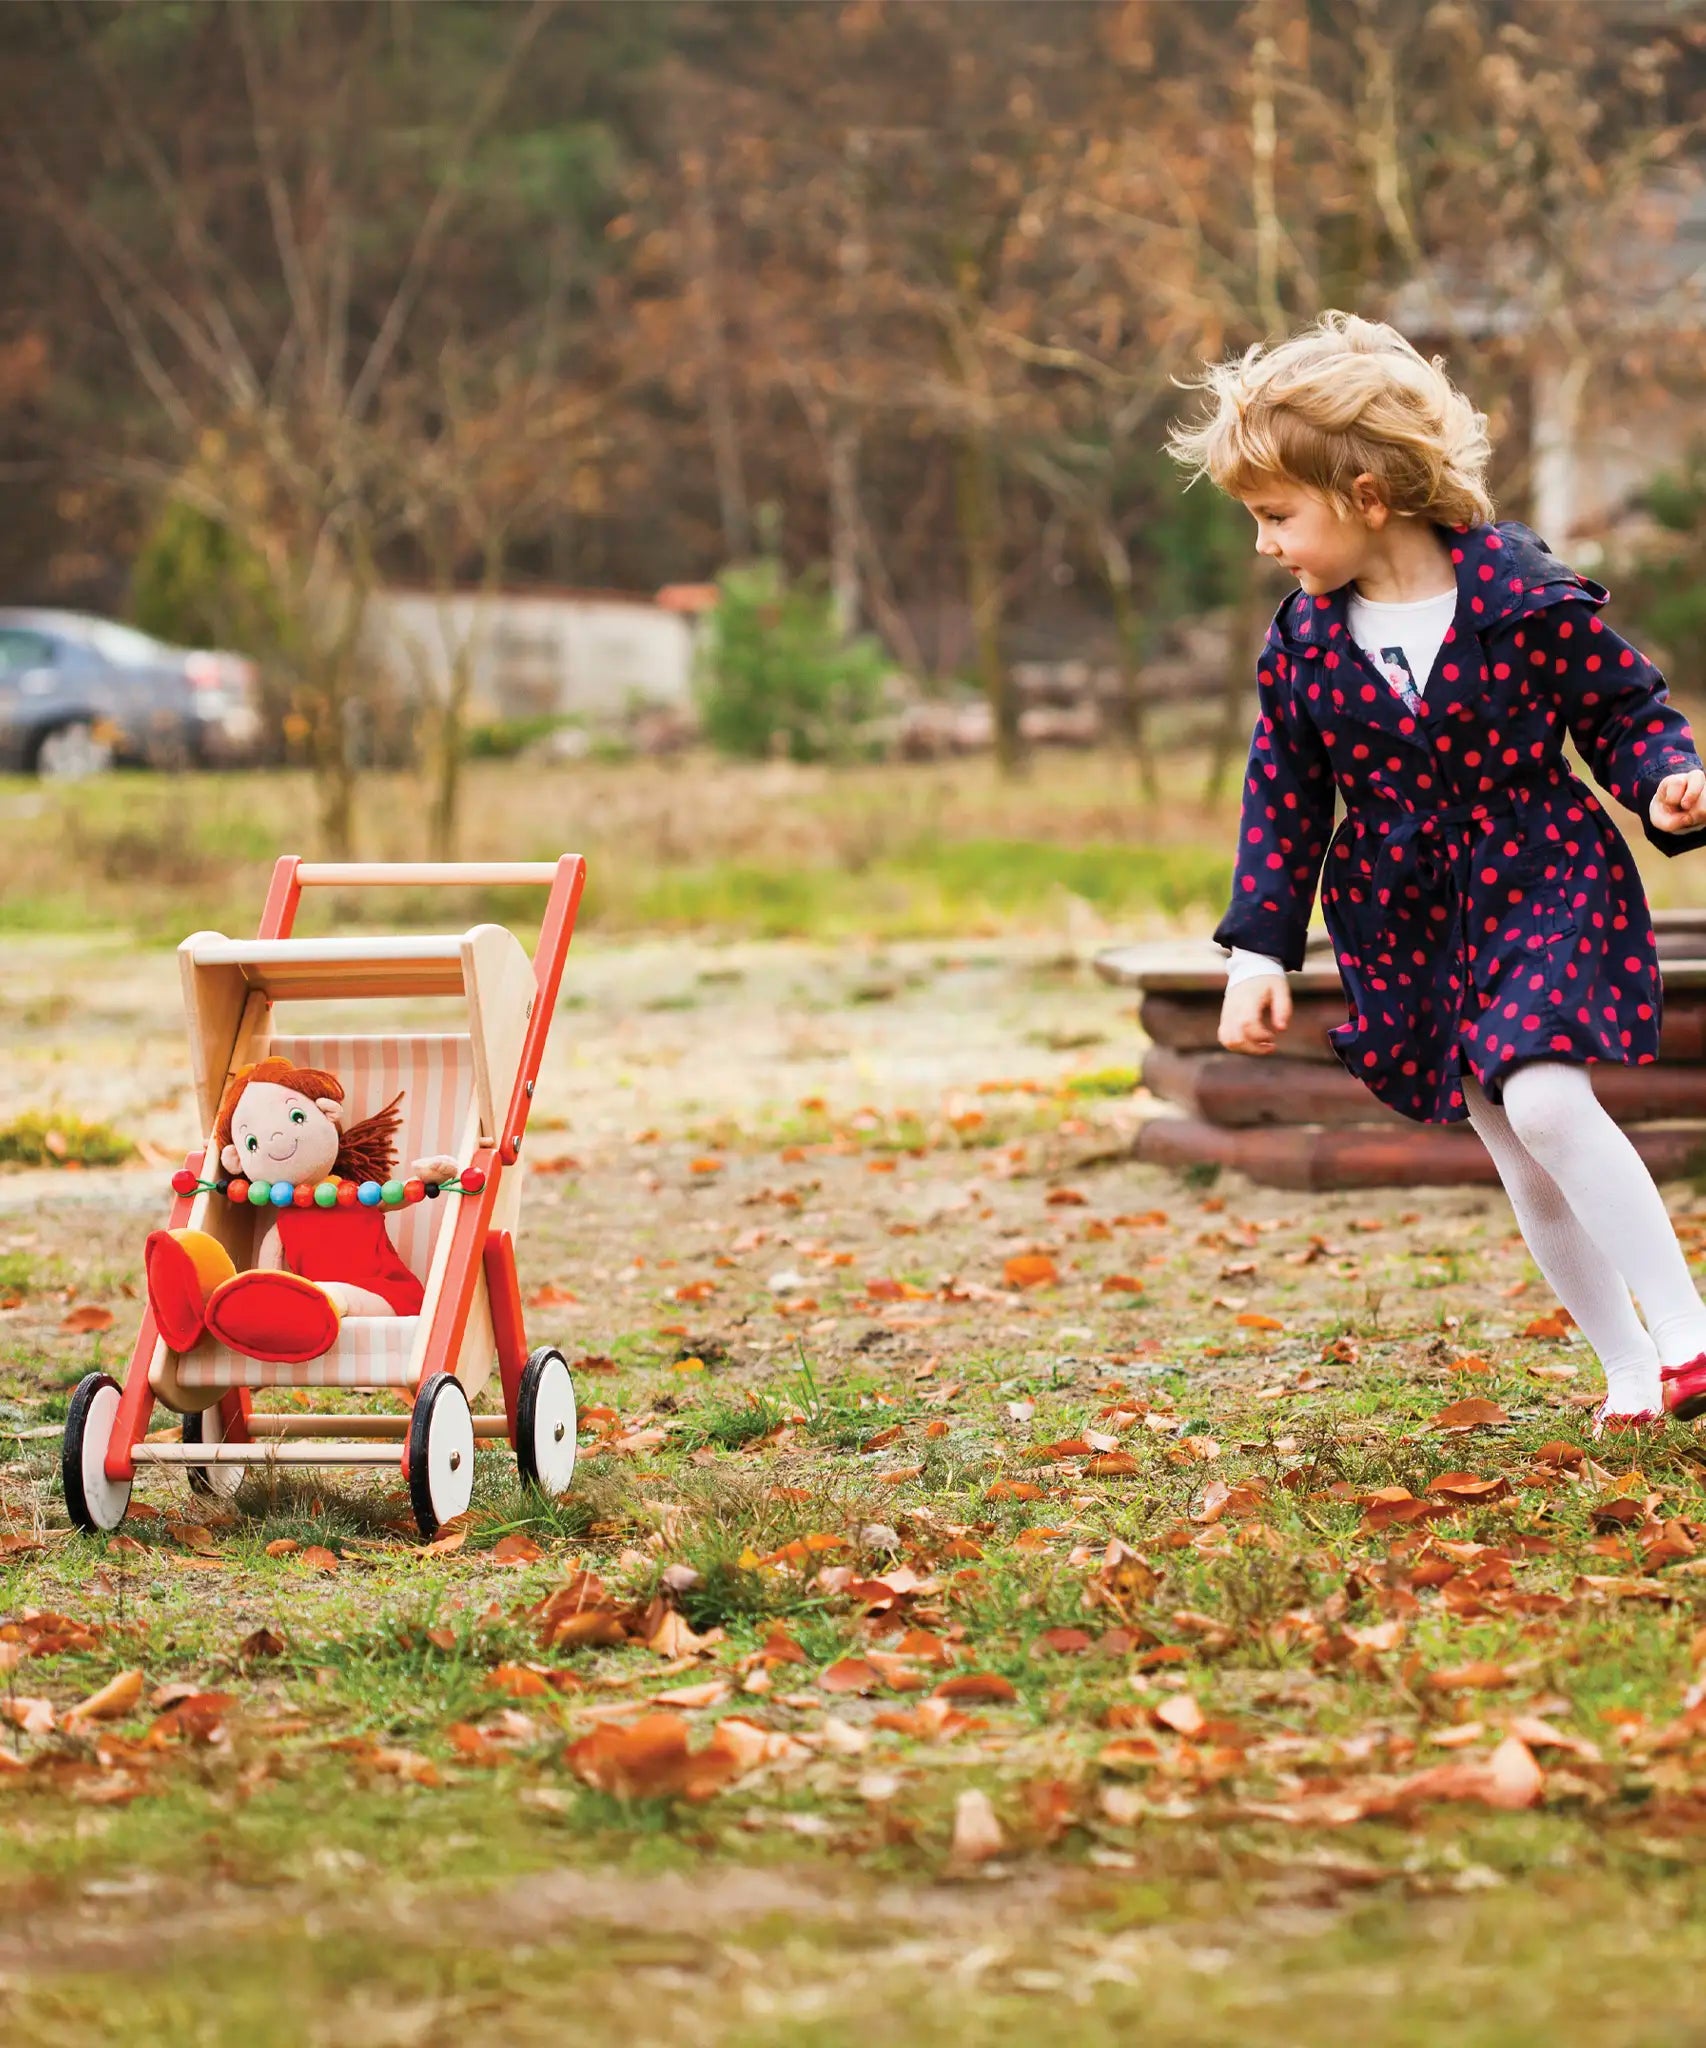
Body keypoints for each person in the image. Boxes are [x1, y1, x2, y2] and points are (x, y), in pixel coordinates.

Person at [1166, 311, 1706, 1433]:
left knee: (1549, 1100)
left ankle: (1690, 1334)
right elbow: (1283, 798)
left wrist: (1662, 779)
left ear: (1365, 494)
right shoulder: (1303, 641)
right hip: (1405, 912)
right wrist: (1257, 950)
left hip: (1542, 869)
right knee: (1516, 1146)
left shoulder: (1517, 590)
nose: (1264, 542)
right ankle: (1625, 1369)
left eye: (1276, 515)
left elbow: (1618, 710)